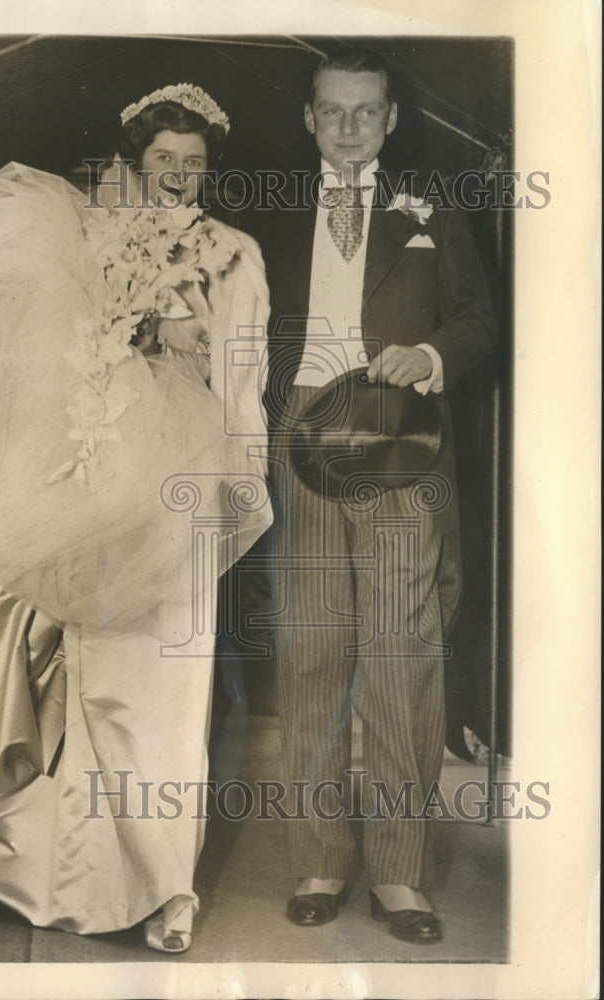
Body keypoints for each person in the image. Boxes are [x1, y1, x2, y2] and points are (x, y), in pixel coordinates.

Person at [0, 84, 271, 955]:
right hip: (87, 487)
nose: (178, 180)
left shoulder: (233, 255)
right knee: (73, 679)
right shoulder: (87, 241)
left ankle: (168, 888)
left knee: (158, 695)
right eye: (162, 164)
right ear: (132, 165)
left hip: (178, 491)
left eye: (194, 165)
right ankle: (72, 873)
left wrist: (234, 485)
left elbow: (243, 385)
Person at [252, 48, 498, 943]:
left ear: (391, 119)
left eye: (367, 111)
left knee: (400, 656)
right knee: (314, 656)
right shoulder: (265, 214)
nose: (349, 126)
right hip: (302, 449)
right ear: (309, 120)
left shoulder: (432, 208)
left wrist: (427, 359)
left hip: (404, 450)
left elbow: (476, 320)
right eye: (333, 111)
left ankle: (400, 875)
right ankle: (319, 859)